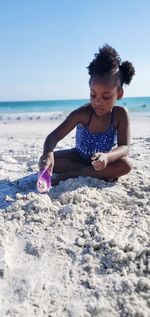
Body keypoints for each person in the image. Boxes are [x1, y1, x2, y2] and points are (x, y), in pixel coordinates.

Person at [39, 44, 135, 185]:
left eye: (106, 96)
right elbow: (54, 136)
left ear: (119, 94)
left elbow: (124, 148)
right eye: (93, 94)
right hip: (78, 157)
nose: (98, 101)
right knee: (51, 160)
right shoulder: (82, 114)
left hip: (102, 161)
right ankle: (90, 172)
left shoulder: (120, 114)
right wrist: (47, 154)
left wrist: (107, 157)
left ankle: (76, 174)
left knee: (126, 164)